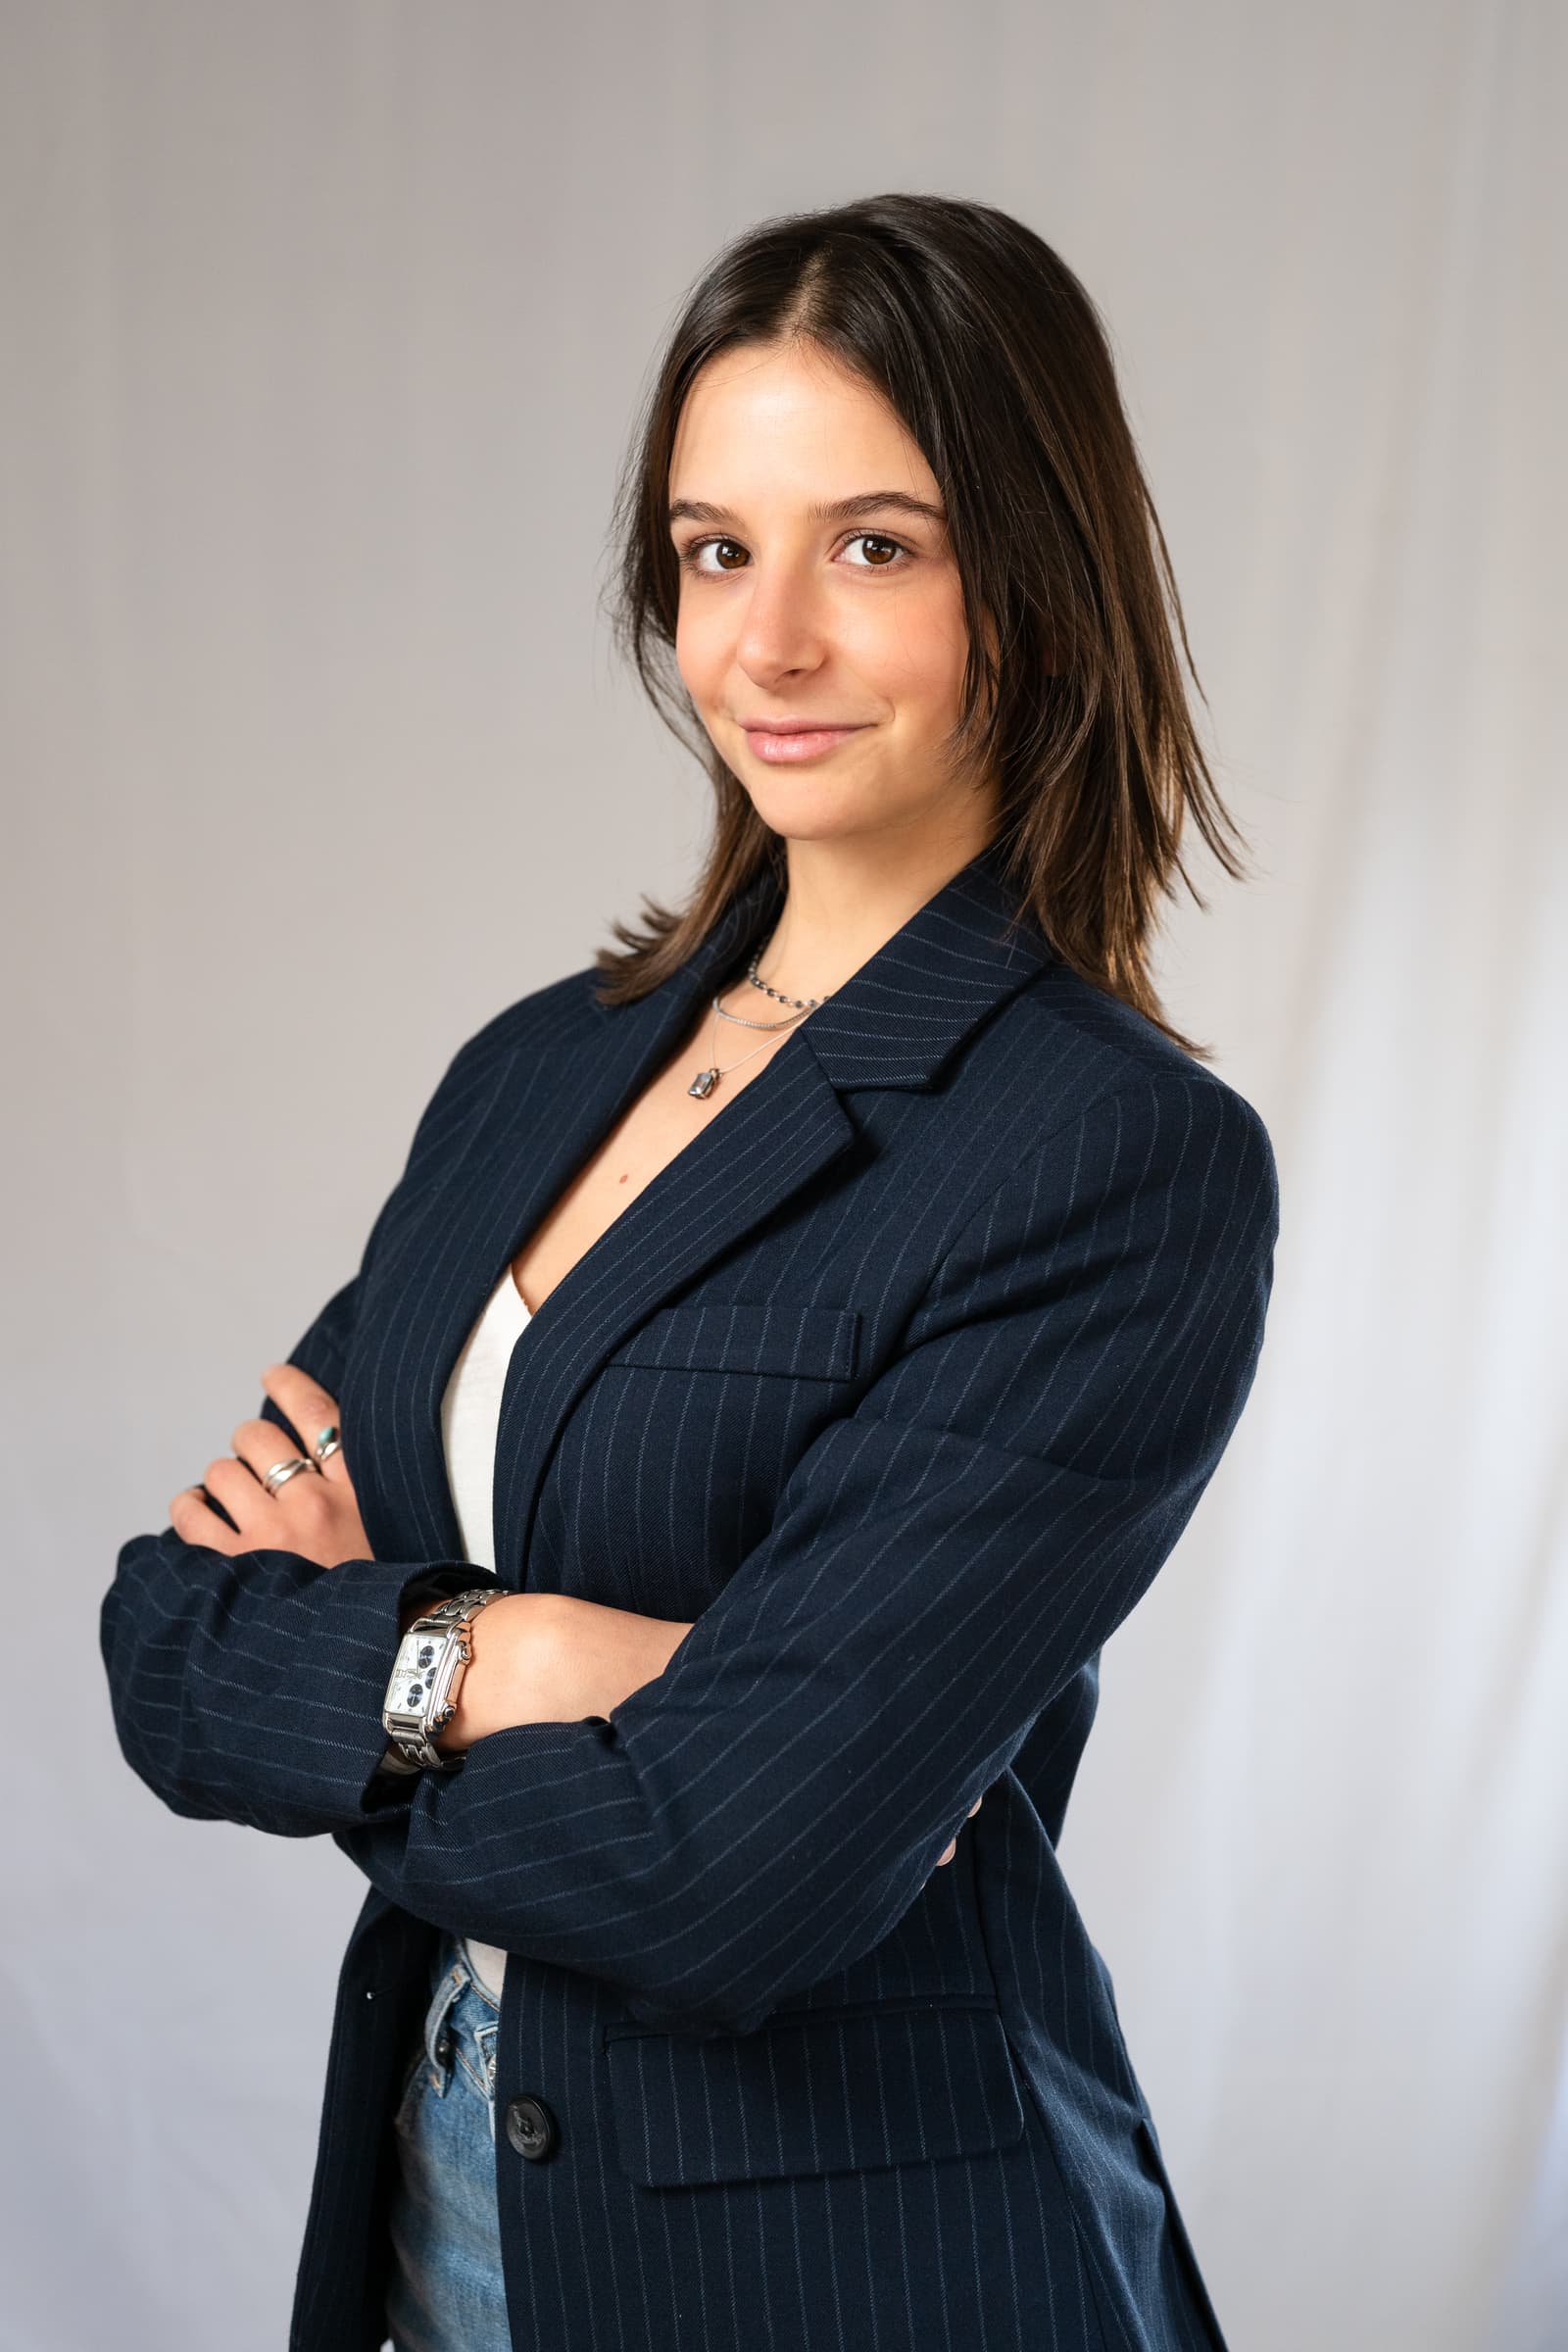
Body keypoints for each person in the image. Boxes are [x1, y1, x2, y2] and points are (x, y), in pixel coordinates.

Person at [100, 192, 1279, 2352]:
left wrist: (354, 1682)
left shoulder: (1108, 1159)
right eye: (716, 550)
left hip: (850, 2267)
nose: (767, 644)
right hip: (437, 2184)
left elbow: (730, 1879)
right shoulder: (534, 1070)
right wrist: (517, 1656)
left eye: (874, 547)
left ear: (1036, 586)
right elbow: (168, 1638)